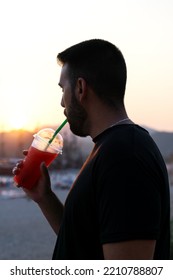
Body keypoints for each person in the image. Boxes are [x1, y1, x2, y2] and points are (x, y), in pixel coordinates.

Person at [13, 39, 170, 260]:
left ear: (80, 88)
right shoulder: (110, 147)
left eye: (62, 89)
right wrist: (44, 197)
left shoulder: (125, 156)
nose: (61, 103)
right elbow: (82, 241)